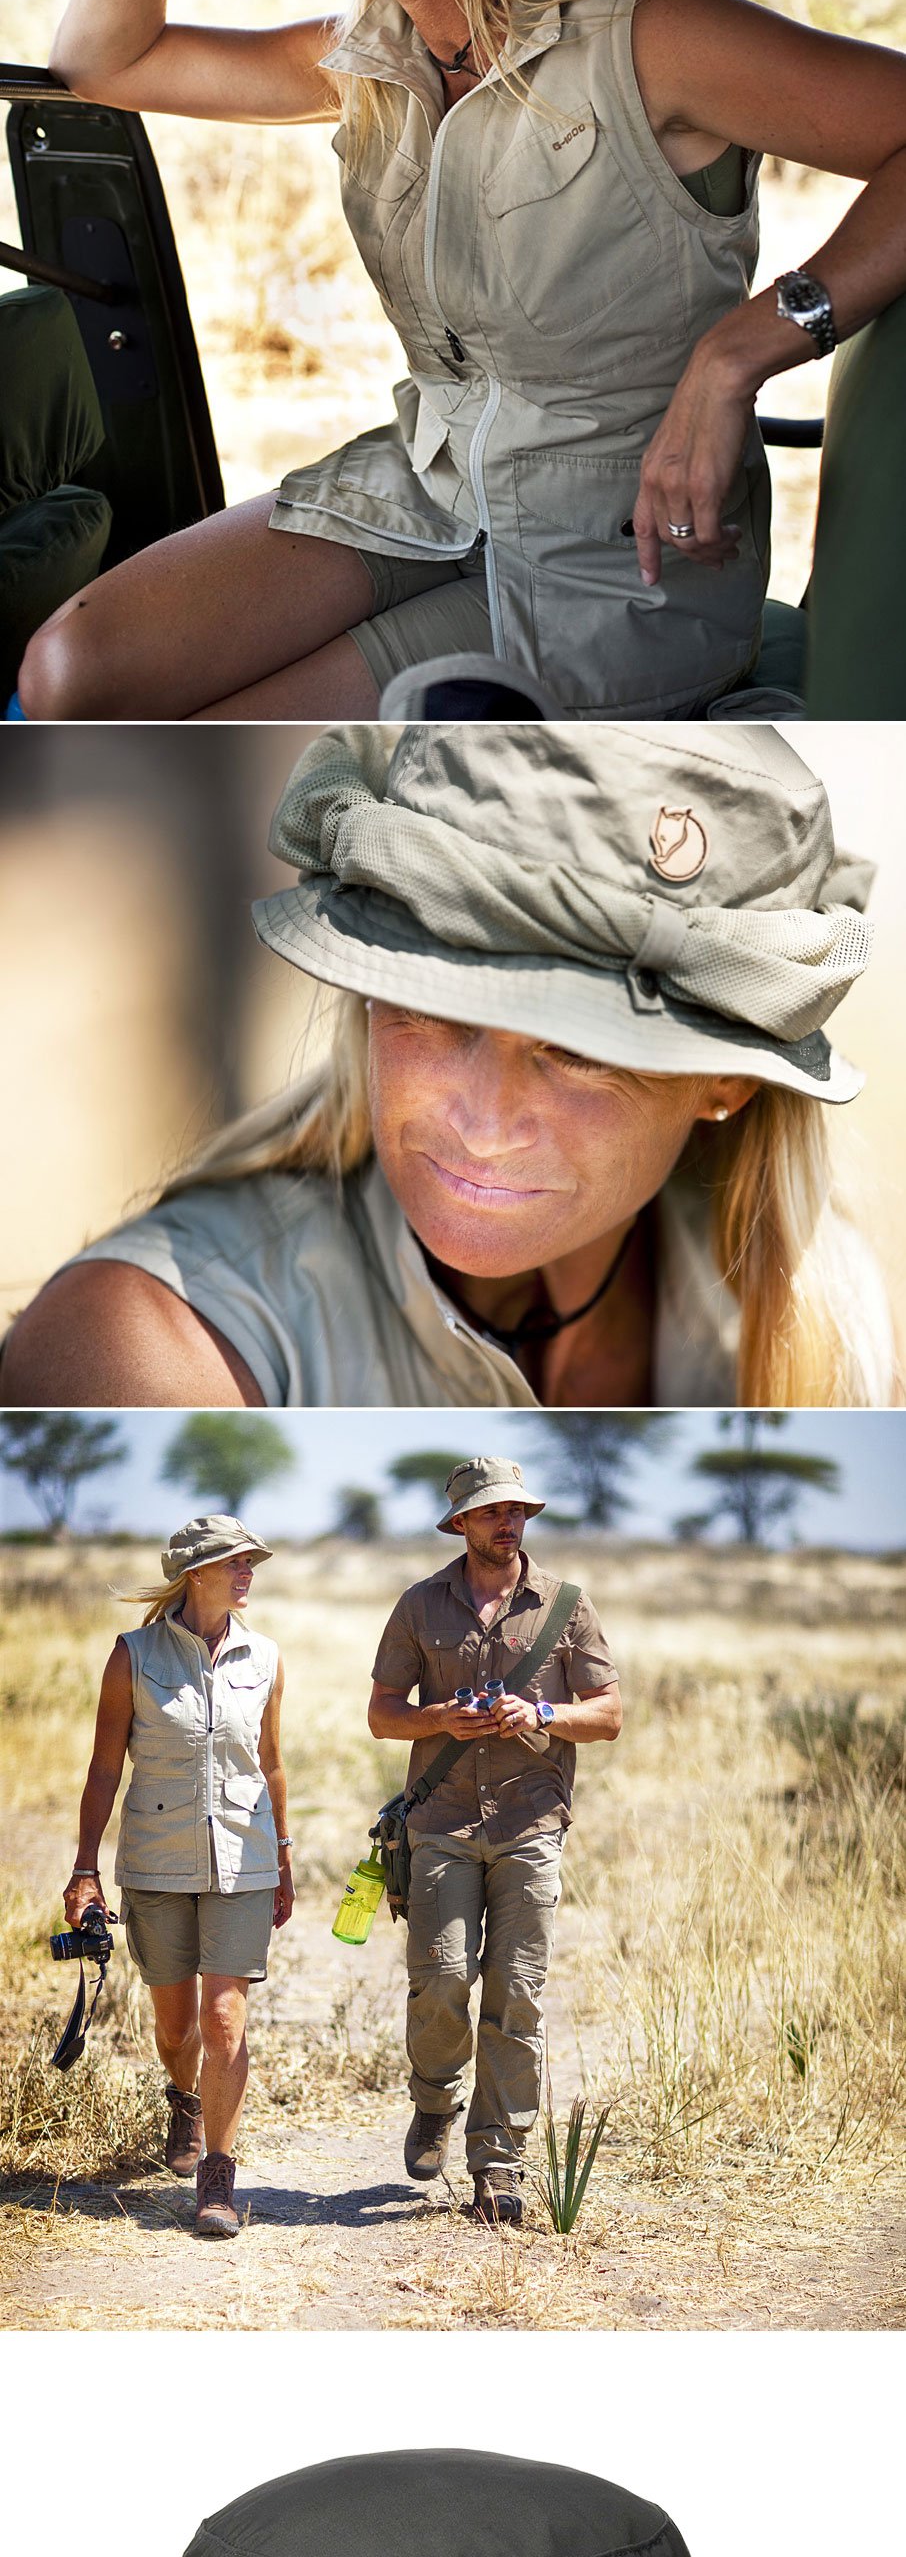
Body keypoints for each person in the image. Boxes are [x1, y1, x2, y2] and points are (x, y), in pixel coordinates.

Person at [15, 0, 906, 726]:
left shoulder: (648, 32)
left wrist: (736, 358)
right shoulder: (365, 61)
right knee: (69, 671)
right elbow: (100, 57)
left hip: (615, 553)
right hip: (425, 487)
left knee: (211, 760)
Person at [3, 719, 893, 1420]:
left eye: (579, 1052)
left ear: (726, 1081)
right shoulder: (146, 1352)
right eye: (431, 1007)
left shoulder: (821, 1316)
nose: (483, 1120)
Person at [367, 1457, 621, 2231]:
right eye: (491, 1513)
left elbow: (607, 1714)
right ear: (461, 1524)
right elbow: (382, 1713)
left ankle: (499, 2165)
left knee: (517, 1994)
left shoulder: (567, 1605)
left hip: (531, 1826)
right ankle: (435, 2100)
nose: (508, 1524)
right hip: (440, 1823)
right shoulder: (419, 1604)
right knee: (441, 1979)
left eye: (517, 1512)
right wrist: (440, 1717)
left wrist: (540, 1717)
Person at [60, 1505, 293, 2241]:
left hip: (244, 1860)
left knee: (224, 2016)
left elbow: (272, 1764)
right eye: (235, 1562)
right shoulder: (133, 1656)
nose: (247, 1572)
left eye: (250, 1561)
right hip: (156, 1862)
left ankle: (217, 2177)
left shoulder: (267, 1658)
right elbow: (103, 1768)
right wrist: (83, 1869)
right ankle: (182, 2097)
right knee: (175, 2027)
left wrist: (283, 1856)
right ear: (197, 1574)